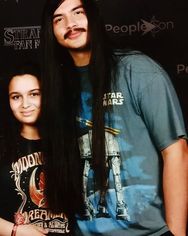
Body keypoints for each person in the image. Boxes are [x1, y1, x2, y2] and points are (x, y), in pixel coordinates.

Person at [40, 0, 188, 235]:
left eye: (78, 12)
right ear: (51, 31)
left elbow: (175, 151)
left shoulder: (136, 70)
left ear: (94, 18)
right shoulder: (57, 90)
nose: (70, 24)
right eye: (59, 19)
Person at [0, 64, 71, 236]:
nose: (25, 104)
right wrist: (16, 231)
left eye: (34, 94)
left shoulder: (68, 141)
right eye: (16, 97)